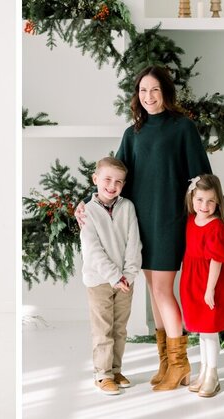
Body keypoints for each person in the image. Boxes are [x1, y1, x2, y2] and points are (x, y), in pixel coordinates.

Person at [76, 66, 212, 391]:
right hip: (138, 227)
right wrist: (87, 202)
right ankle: (166, 362)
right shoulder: (132, 133)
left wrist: (202, 218)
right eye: (142, 91)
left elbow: (202, 177)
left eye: (154, 90)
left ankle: (179, 364)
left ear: (165, 91)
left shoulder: (183, 128)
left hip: (168, 221)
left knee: (164, 291)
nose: (148, 97)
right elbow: (114, 176)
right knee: (154, 293)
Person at [79, 157, 142, 395]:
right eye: (107, 179)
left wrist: (129, 274)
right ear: (95, 179)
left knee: (119, 329)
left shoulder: (127, 207)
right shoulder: (87, 211)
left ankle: (115, 370)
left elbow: (133, 242)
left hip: (125, 281)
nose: (112, 185)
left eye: (118, 181)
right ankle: (102, 374)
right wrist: (114, 275)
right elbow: (92, 249)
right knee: (102, 329)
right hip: (99, 281)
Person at [179, 174, 224, 398]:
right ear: (192, 198)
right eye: (200, 199)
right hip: (192, 281)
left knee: (210, 330)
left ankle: (212, 375)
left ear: (218, 202)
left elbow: (216, 261)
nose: (204, 206)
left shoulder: (216, 227)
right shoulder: (190, 222)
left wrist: (209, 289)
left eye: (210, 201)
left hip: (210, 283)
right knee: (202, 331)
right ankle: (204, 371)